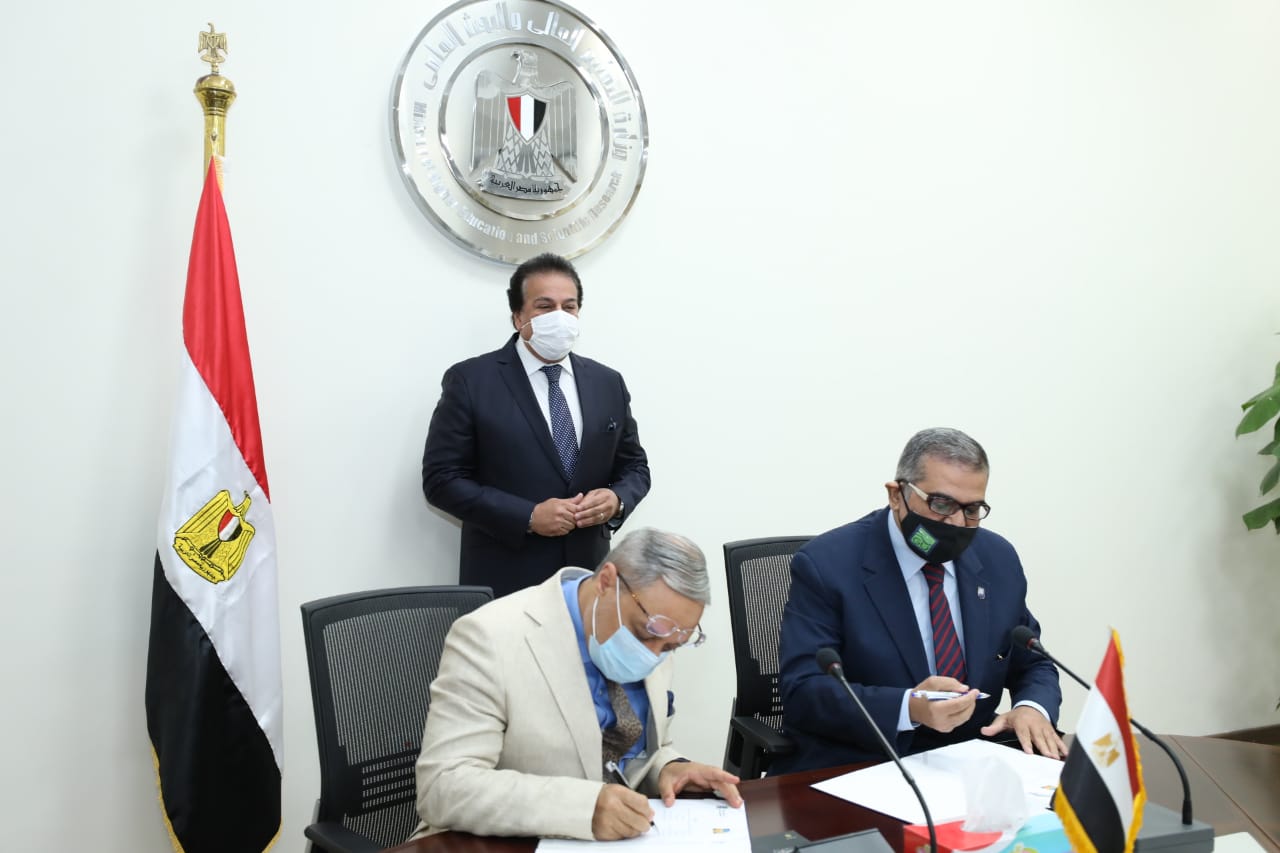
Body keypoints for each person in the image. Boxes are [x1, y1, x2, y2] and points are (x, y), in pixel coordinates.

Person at [409, 527, 742, 841]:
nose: (654, 654)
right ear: (607, 582)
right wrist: (583, 808)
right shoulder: (490, 637)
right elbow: (443, 786)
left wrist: (669, 768)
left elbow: (631, 750)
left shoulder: (659, 631)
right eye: (645, 634)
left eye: (671, 647)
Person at [773, 427, 1065, 774]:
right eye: (941, 504)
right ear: (897, 495)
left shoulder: (997, 559)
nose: (956, 522)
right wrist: (908, 707)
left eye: (972, 509)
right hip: (861, 763)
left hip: (970, 760)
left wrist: (1032, 707)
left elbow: (1033, 662)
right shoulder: (827, 564)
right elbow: (804, 691)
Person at [422, 252, 650, 598]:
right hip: (505, 581)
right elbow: (442, 480)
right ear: (518, 317)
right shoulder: (471, 381)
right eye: (545, 306)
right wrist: (527, 516)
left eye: (569, 307)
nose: (559, 316)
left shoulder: (607, 382)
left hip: (587, 579)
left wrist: (616, 499)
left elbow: (635, 467)